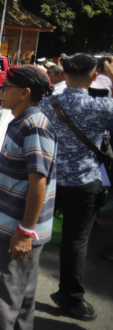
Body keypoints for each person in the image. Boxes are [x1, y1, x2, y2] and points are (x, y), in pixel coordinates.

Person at [0, 65, 56, 330]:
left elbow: (38, 183)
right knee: (18, 297)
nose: (1, 92)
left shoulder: (34, 126)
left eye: (6, 87)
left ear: (24, 93)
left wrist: (24, 231)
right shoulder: (22, 121)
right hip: (10, 227)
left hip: (14, 231)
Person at [38, 54, 113, 321]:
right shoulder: (104, 106)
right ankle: (70, 298)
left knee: (34, 234)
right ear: (95, 76)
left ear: (64, 73)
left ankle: (18, 288)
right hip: (84, 183)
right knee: (75, 242)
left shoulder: (47, 104)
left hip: (48, 180)